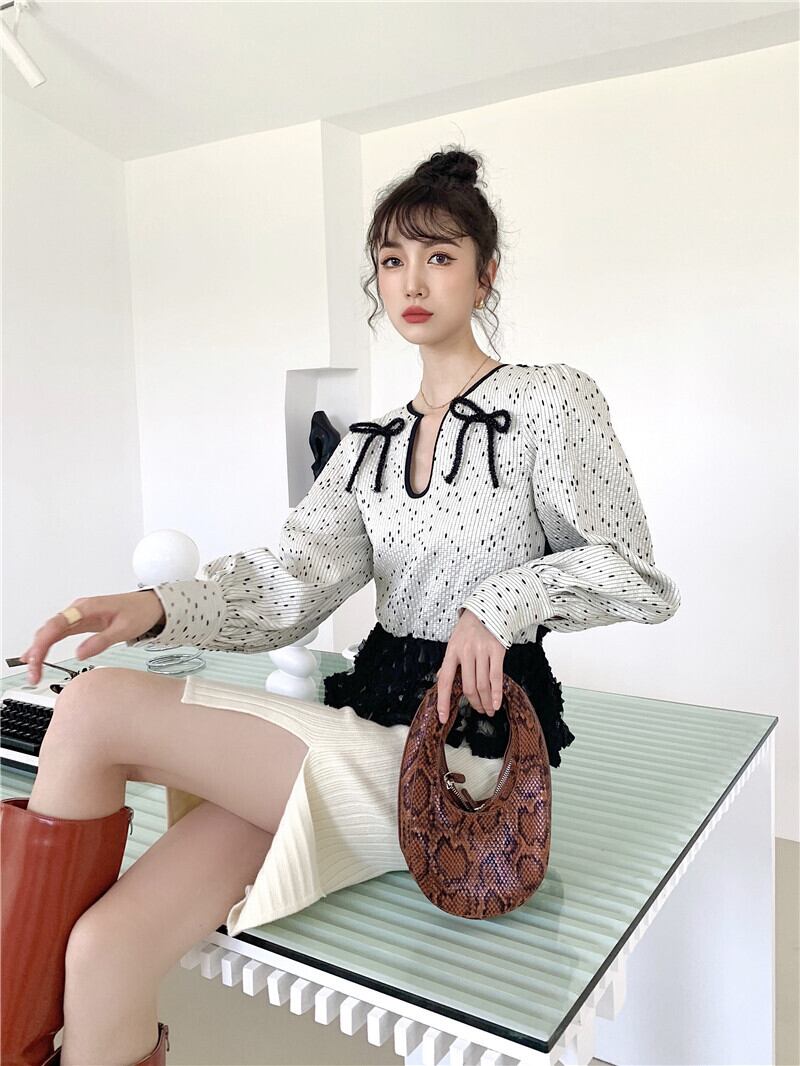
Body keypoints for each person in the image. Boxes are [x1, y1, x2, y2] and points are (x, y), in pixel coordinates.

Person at [1, 146, 681, 1066]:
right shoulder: (367, 448)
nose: (413, 281)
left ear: (486, 274)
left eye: (440, 257)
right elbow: (290, 583)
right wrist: (155, 606)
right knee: (103, 953)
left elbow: (636, 574)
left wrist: (502, 600)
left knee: (93, 705)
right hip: (364, 727)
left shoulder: (551, 402)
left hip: (458, 763)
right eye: (393, 260)